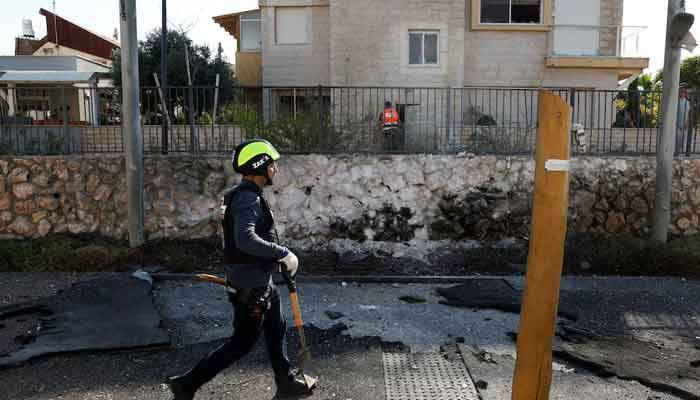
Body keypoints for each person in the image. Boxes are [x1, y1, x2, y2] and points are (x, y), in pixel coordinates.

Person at [166, 139, 311, 400]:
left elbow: (242, 243)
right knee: (241, 343)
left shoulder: (244, 194)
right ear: (260, 166)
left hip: (258, 280)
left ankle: (286, 382)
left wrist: (274, 259)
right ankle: (186, 384)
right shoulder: (247, 199)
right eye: (272, 164)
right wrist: (283, 253)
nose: (275, 169)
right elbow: (245, 239)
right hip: (250, 286)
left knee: (276, 327)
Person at [676, 86, 691, 156]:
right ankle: (676, 151)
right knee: (677, 137)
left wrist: (686, 122)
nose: (682, 94)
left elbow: (687, 113)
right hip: (677, 122)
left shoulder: (687, 102)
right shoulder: (676, 101)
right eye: (681, 92)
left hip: (684, 122)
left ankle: (680, 151)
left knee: (683, 137)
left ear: (685, 93)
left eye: (684, 92)